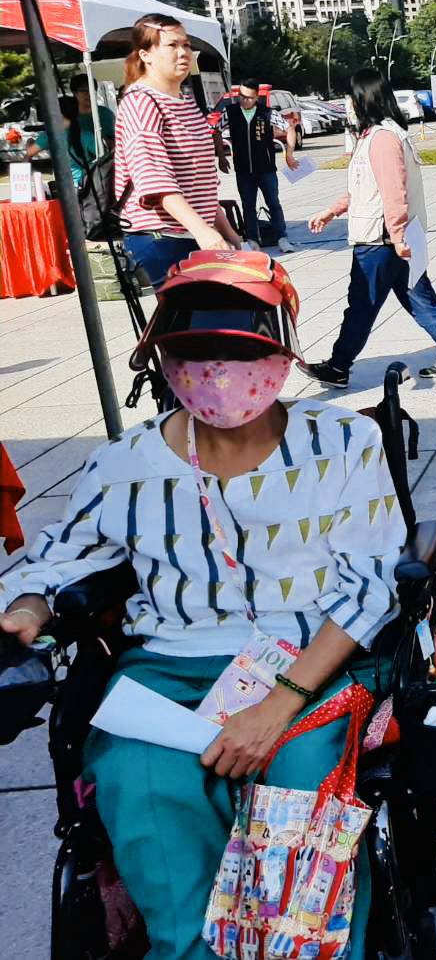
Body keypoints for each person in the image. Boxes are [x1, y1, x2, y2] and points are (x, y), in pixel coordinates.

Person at [0, 249, 405, 960]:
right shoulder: (125, 464)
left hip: (312, 662)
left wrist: (277, 705)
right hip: (167, 669)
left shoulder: (345, 443)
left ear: (280, 357)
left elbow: (370, 586)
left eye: (239, 352)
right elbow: (54, 559)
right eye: (193, 354)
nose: (217, 372)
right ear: (163, 360)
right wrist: (31, 605)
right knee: (138, 779)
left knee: (301, 784)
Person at [301, 70, 436, 389]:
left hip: (381, 241)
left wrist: (397, 235)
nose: (347, 104)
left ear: (362, 98)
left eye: (350, 97)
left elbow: (394, 192)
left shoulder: (383, 138)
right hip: (393, 238)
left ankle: (338, 367)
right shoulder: (379, 134)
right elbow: (365, 187)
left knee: (362, 305)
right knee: (418, 297)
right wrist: (332, 210)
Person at [114, 13, 241, 287]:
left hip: (193, 234)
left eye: (186, 45)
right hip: (163, 236)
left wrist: (226, 230)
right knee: (203, 313)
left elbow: (201, 182)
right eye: (172, 45)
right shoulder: (141, 102)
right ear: (146, 55)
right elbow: (154, 179)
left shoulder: (185, 100)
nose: (183, 53)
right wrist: (202, 230)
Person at [222, 79, 298, 252]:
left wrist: (289, 154)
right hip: (243, 169)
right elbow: (216, 131)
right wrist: (221, 156)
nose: (244, 100)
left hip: (266, 168)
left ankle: (282, 238)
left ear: (257, 97)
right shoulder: (230, 112)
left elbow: (290, 129)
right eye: (241, 96)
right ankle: (252, 240)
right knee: (248, 205)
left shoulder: (267, 113)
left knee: (274, 203)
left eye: (249, 97)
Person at [26, 95, 87, 188]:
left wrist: (29, 142)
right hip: (88, 186)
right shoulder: (87, 135)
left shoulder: (50, 136)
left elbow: (30, 152)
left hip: (66, 189)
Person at [70, 73, 115, 155]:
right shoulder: (69, 116)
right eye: (83, 91)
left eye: (91, 90)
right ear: (74, 93)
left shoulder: (105, 113)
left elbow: (115, 139)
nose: (88, 94)